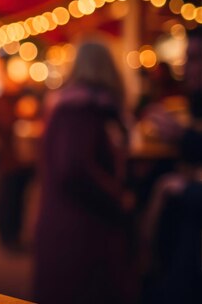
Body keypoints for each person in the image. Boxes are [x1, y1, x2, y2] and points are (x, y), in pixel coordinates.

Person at [34, 41, 139, 304]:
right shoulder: (80, 109)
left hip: (69, 228)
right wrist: (117, 197)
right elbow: (74, 167)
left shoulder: (78, 107)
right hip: (80, 233)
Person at [141, 27, 202, 304]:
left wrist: (182, 188)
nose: (187, 68)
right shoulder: (188, 106)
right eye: (187, 58)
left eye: (196, 58)